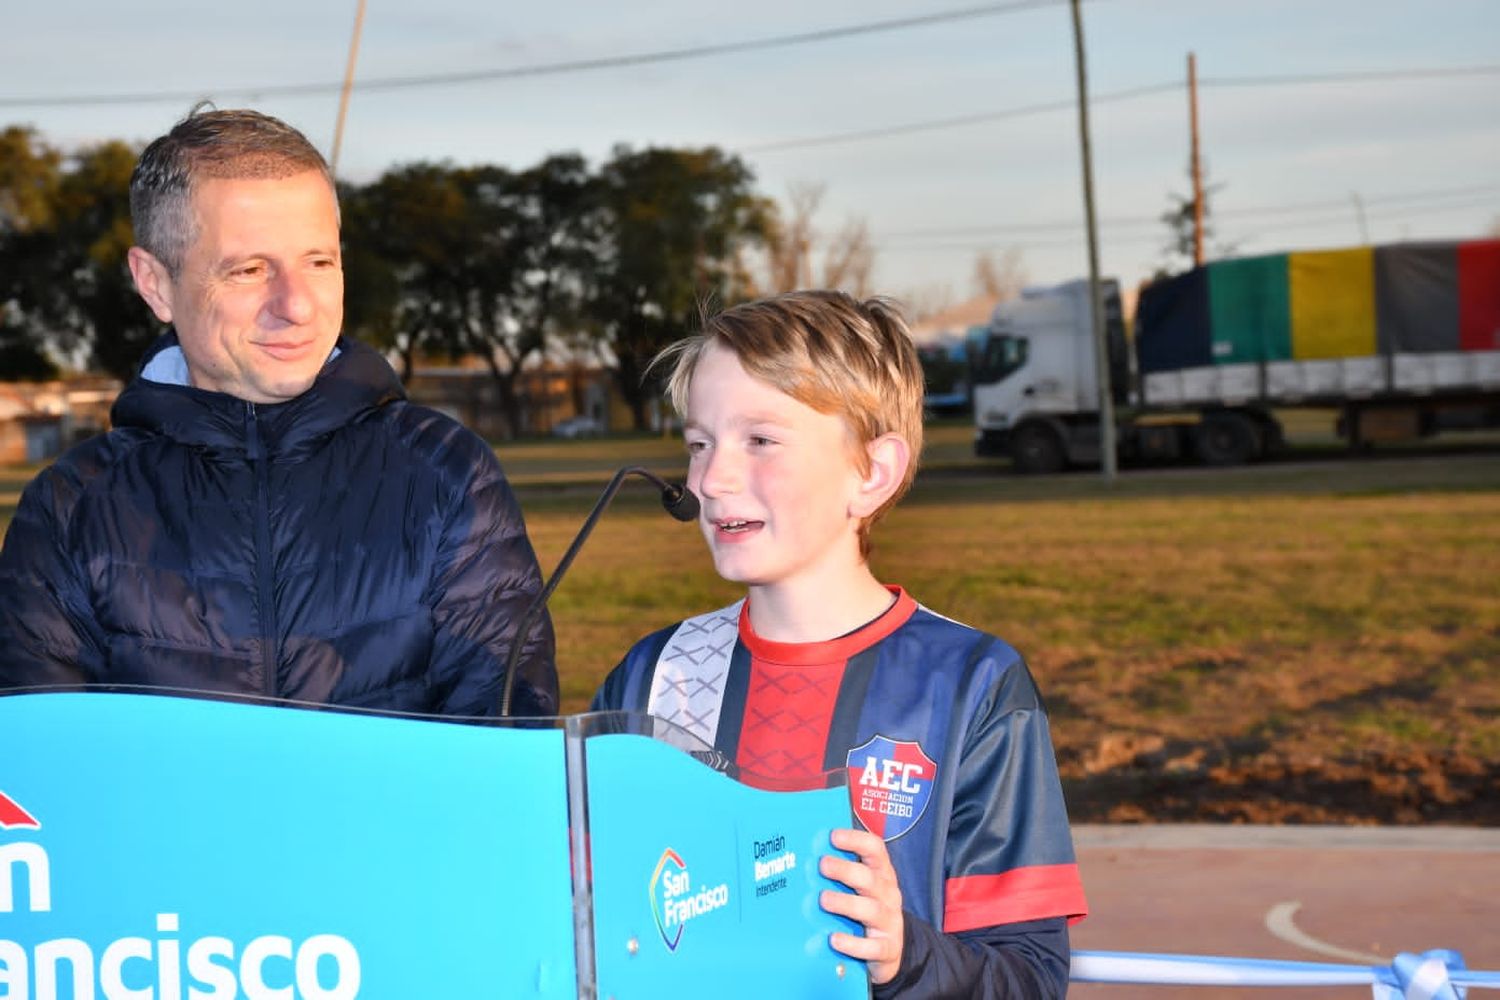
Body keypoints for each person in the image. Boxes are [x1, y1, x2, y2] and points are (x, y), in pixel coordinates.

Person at [593, 291, 1086, 997]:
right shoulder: (652, 676)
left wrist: (902, 955)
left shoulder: (972, 685)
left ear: (872, 474)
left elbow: (1029, 977)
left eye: (759, 441)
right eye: (699, 444)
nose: (709, 479)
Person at [0, 108, 557, 717]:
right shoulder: (69, 509)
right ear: (156, 283)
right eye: (250, 270)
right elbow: (48, 775)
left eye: (319, 261)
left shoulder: (447, 474)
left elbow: (502, 744)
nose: (296, 305)